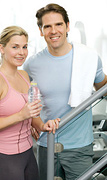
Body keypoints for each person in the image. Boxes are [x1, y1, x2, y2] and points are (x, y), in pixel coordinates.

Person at [23, 3, 107, 180]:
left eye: (58, 24)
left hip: (79, 146)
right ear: (41, 30)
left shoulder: (89, 57)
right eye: (47, 26)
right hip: (47, 143)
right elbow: (26, 99)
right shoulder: (32, 64)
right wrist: (33, 121)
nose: (54, 31)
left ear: (67, 26)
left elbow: (103, 89)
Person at [0, 25, 60, 180]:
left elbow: (31, 113)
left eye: (24, 47)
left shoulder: (24, 75)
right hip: (5, 156)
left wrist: (42, 125)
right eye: (15, 47)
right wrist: (20, 115)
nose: (21, 52)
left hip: (28, 151)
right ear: (1, 48)